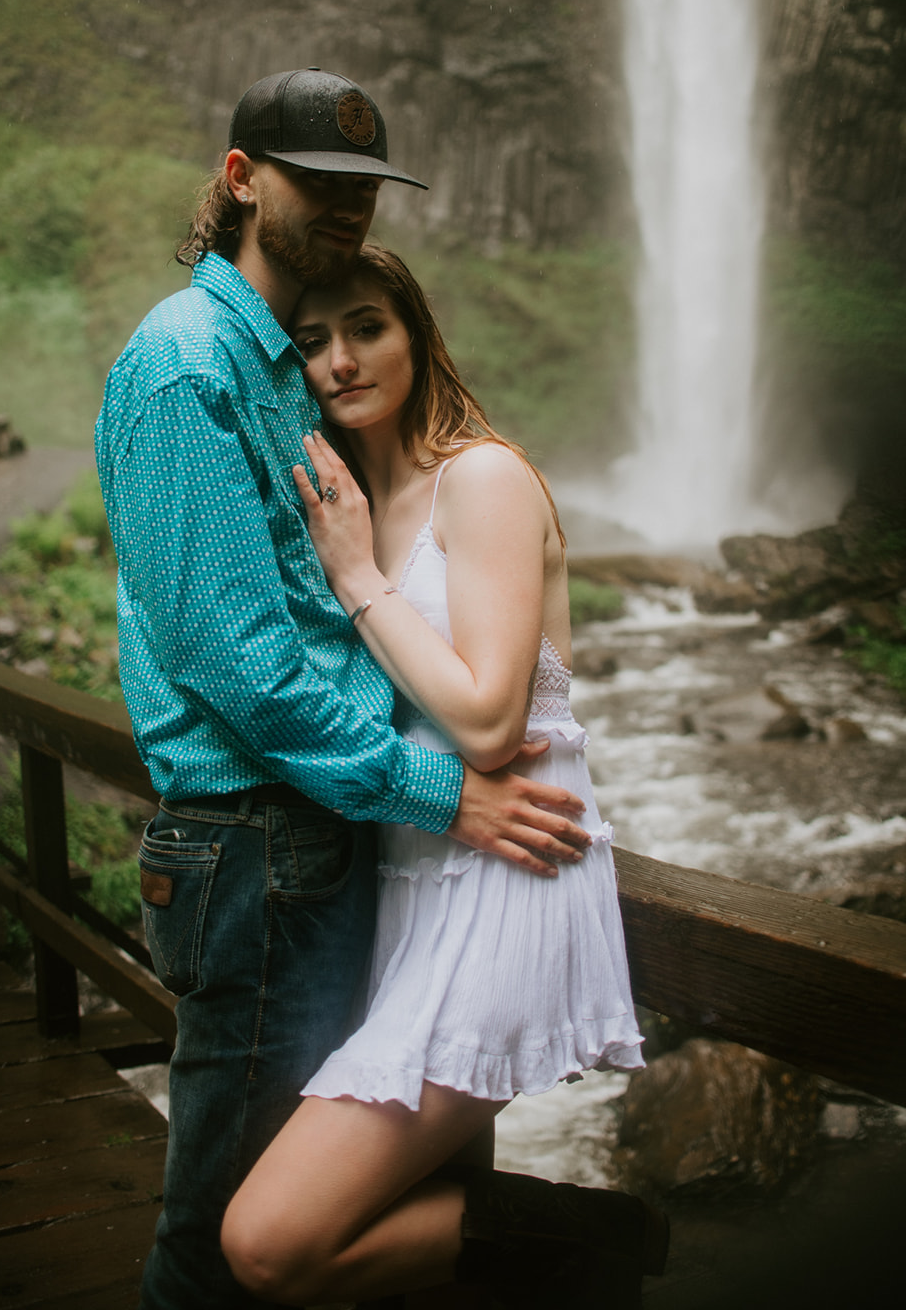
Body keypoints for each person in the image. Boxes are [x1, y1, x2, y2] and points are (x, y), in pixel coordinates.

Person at [94, 68, 593, 1310]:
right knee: (223, 1234)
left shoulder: (277, 364)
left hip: (328, 839)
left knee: (292, 1205)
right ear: (238, 178)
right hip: (259, 842)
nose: (343, 208)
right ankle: (538, 1252)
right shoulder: (187, 364)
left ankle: (517, 1246)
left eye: (361, 190)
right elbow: (242, 666)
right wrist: (441, 790)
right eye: (316, 184)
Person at [220, 245, 667, 1309]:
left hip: (510, 877)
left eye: (366, 327)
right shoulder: (347, 498)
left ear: (414, 332)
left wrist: (358, 574)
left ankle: (602, 1235)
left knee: (268, 1240)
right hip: (414, 883)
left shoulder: (484, 478)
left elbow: (486, 717)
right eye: (312, 341)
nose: (339, 359)